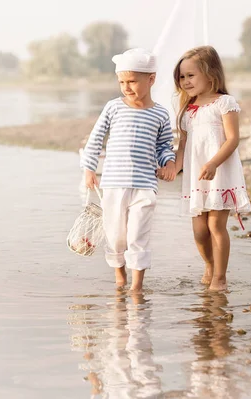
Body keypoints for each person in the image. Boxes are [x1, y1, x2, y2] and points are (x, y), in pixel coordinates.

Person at [81, 48, 176, 292]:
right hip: (113, 183)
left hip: (145, 185)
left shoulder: (160, 113)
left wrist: (169, 162)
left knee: (138, 235)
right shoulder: (113, 108)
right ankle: (119, 278)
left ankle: (136, 287)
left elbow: (164, 145)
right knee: (115, 235)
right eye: (122, 82)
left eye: (132, 81)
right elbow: (95, 139)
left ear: (151, 79)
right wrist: (89, 169)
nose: (126, 87)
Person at [158, 46, 251, 291]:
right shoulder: (188, 109)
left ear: (210, 74)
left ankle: (220, 277)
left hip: (219, 173)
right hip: (196, 177)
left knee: (215, 226)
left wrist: (213, 163)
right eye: (182, 77)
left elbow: (232, 139)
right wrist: (173, 167)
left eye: (191, 75)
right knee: (199, 231)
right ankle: (209, 264)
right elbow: (184, 145)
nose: (185, 81)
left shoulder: (225, 103)